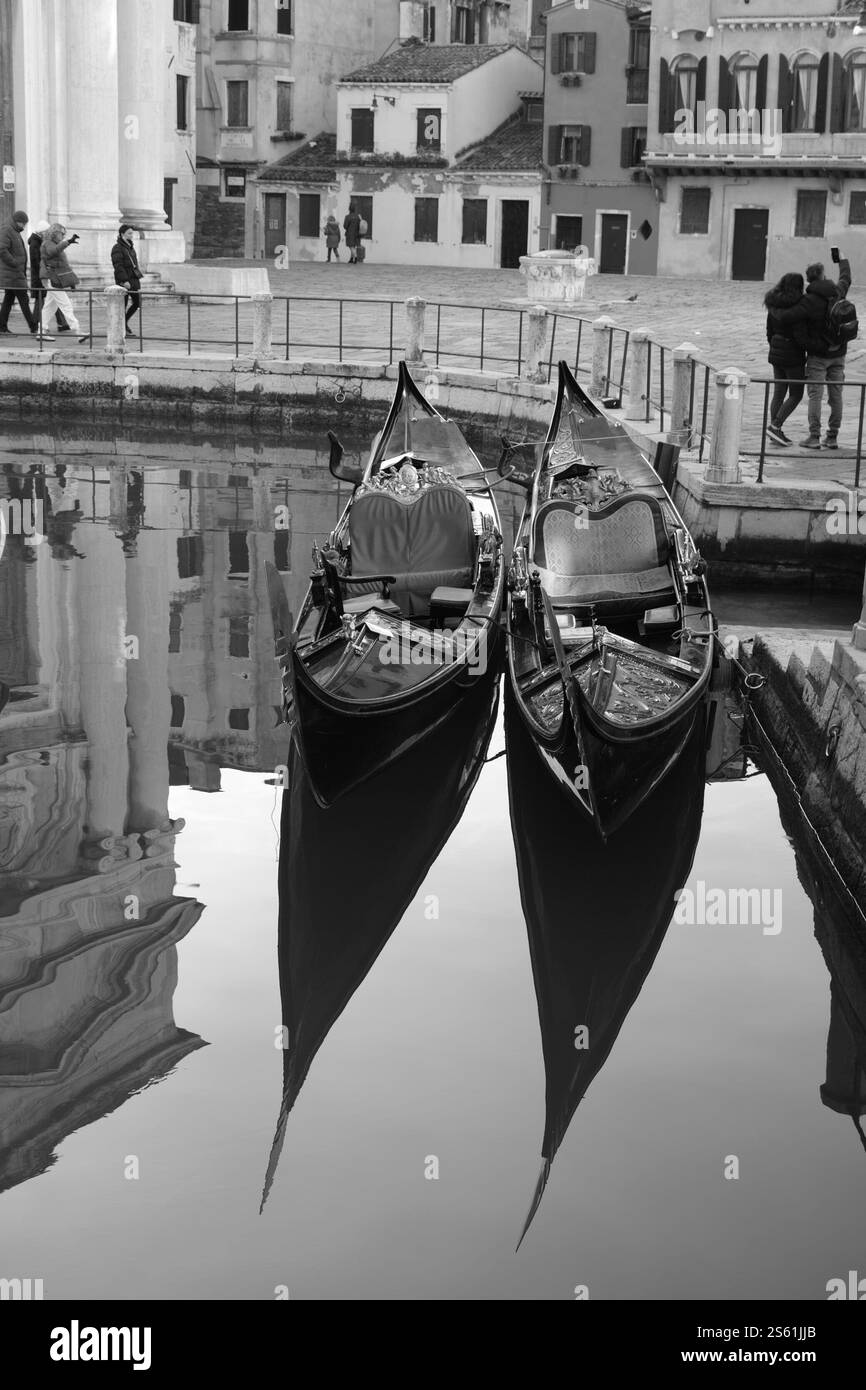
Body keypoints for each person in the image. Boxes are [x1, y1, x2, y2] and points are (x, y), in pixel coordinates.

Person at [774, 254, 852, 450]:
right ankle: (832, 437)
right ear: (824, 275)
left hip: (819, 356)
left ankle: (814, 437)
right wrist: (842, 260)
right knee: (836, 396)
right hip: (839, 353)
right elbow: (846, 277)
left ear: (809, 279)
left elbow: (788, 317)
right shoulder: (838, 291)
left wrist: (773, 305)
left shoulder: (808, 301)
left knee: (815, 396)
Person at [763, 272, 806, 447]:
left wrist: (774, 345)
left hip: (776, 351)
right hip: (792, 354)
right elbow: (801, 335)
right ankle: (775, 426)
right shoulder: (798, 307)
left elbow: (769, 331)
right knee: (796, 393)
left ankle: (775, 430)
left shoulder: (773, 303)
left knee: (779, 392)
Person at [39, 223, 90, 343]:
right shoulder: (48, 243)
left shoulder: (55, 244)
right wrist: (68, 242)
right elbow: (53, 251)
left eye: (64, 234)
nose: (63, 236)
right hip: (51, 278)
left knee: (49, 307)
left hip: (54, 278)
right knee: (66, 305)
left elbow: (63, 265)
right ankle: (77, 331)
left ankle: (41, 331)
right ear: (54, 233)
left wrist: (71, 280)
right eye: (61, 233)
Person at [0, 210, 47, 338]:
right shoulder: (7, 230)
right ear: (18, 222)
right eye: (24, 224)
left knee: (8, 300)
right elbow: (2, 249)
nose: (24, 226)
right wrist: (14, 263)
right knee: (24, 300)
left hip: (15, 273)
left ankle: (2, 327)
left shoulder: (13, 230)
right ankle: (33, 328)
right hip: (13, 273)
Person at [29, 220, 70, 332]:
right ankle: (37, 326)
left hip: (45, 275)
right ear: (42, 232)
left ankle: (62, 324)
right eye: (46, 231)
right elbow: (37, 261)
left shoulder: (41, 241)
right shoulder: (35, 243)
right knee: (42, 302)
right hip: (42, 277)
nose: (48, 233)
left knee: (52, 301)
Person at [111, 224, 143, 331]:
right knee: (122, 306)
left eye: (132, 233)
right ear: (122, 234)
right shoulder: (117, 248)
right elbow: (118, 265)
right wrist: (124, 280)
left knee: (137, 303)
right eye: (129, 233)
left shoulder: (130, 247)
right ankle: (121, 327)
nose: (131, 235)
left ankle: (124, 323)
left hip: (133, 280)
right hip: (124, 282)